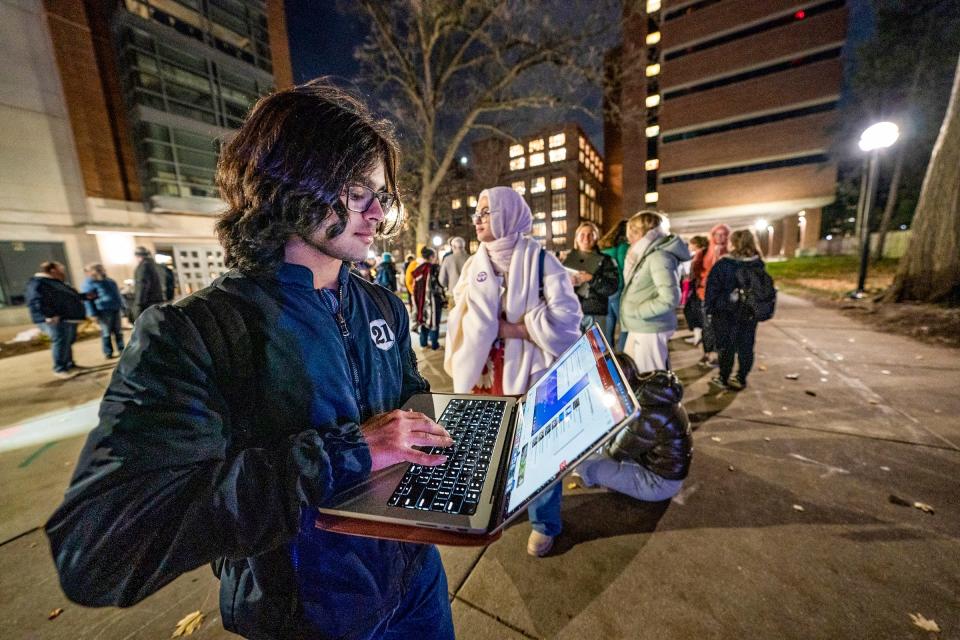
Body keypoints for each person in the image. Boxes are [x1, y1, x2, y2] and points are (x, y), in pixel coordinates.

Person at [45, 79, 457, 639]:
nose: (379, 213)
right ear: (289, 184)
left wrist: (446, 442)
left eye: (383, 195)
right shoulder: (194, 334)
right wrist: (348, 453)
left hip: (415, 581)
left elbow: (410, 393)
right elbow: (97, 547)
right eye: (359, 193)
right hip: (309, 618)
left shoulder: (381, 302)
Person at [444, 186, 581, 557]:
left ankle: (544, 522)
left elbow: (569, 321)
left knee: (540, 450)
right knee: (491, 447)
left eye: (487, 212)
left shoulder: (541, 261)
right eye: (477, 212)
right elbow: (458, 309)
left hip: (533, 376)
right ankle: (496, 505)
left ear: (509, 214)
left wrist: (517, 329)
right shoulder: (474, 264)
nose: (478, 220)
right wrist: (478, 324)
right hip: (486, 376)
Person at [573, 352, 692, 501]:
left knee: (584, 464)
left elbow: (615, 452)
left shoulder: (643, 413)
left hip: (658, 484)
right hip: (660, 469)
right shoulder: (650, 389)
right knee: (596, 448)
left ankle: (593, 477)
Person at [619, 211, 691, 372]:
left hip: (650, 328)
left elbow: (670, 298)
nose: (629, 239)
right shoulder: (647, 254)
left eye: (632, 233)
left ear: (641, 232)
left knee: (651, 380)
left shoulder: (659, 256)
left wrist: (637, 311)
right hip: (642, 326)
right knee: (637, 375)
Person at [704, 229, 767, 391]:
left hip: (725, 313)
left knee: (726, 347)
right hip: (749, 314)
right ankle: (741, 378)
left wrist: (710, 310)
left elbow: (711, 291)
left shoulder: (723, 265)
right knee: (746, 347)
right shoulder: (758, 264)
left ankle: (723, 377)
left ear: (732, 243)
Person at [25, 261, 86, 378]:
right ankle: (59, 368)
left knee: (67, 342)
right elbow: (35, 300)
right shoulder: (38, 282)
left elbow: (67, 297)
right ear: (53, 270)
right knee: (60, 341)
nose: (63, 272)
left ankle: (69, 365)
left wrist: (84, 296)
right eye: (61, 269)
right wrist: (49, 315)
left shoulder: (56, 283)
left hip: (65, 318)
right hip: (53, 319)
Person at [564, 221, 619, 341]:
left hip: (595, 314)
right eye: (582, 234)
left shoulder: (606, 261)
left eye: (590, 234)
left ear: (596, 237)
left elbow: (612, 287)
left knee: (598, 353)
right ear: (577, 238)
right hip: (571, 314)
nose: (586, 238)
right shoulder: (566, 260)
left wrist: (592, 279)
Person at [697, 223, 730, 367]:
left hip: (723, 296)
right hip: (706, 294)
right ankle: (707, 352)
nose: (720, 237)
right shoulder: (705, 252)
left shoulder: (730, 252)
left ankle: (716, 354)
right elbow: (697, 270)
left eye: (723, 234)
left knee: (720, 326)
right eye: (717, 234)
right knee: (707, 325)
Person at [81, 263, 125, 359]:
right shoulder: (90, 283)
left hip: (115, 308)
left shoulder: (110, 281)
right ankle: (108, 352)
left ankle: (122, 349)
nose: (102, 271)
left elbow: (118, 295)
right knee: (106, 332)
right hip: (103, 311)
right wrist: (92, 314)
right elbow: (88, 300)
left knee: (118, 331)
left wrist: (122, 306)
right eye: (98, 269)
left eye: (102, 269)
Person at [600, 219, 630, 351]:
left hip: (606, 289)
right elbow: (625, 268)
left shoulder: (605, 245)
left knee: (609, 323)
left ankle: (608, 353)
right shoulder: (622, 246)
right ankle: (622, 355)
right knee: (625, 326)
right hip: (618, 288)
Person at [412, 246, 445, 350]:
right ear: (431, 256)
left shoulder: (417, 269)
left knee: (424, 320)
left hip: (420, 300)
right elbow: (440, 284)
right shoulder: (434, 268)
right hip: (433, 300)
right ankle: (435, 344)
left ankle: (423, 343)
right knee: (434, 321)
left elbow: (415, 286)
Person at [682, 235, 709, 346]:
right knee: (694, 310)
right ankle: (697, 335)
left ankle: (698, 336)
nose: (689, 246)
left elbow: (696, 271)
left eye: (691, 243)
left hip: (698, 287)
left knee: (693, 310)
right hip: (698, 286)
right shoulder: (701, 254)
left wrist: (689, 277)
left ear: (696, 244)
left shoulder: (699, 254)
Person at [132, 246, 164, 320]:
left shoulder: (143, 267)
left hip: (147, 303)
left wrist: (138, 305)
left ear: (138, 256)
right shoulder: (154, 265)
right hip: (157, 301)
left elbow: (142, 286)